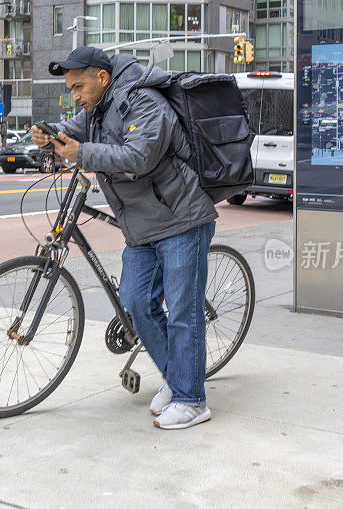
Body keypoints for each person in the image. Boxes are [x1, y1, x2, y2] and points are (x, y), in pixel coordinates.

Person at [30, 46, 218, 430]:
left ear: (102, 78)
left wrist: (82, 152)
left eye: (79, 87)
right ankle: (177, 378)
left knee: (183, 311)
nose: (75, 96)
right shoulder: (97, 110)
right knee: (136, 301)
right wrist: (51, 136)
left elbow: (139, 157)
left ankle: (193, 400)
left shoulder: (143, 100)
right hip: (143, 226)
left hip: (180, 216)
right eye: (70, 89)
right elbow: (76, 133)